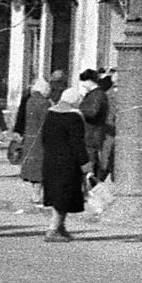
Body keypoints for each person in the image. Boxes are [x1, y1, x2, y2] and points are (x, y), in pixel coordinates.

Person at [38, 86, 90, 242]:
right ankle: (53, 230)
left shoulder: (50, 113)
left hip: (51, 160)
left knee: (58, 195)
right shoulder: (74, 117)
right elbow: (77, 143)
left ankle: (61, 227)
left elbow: (44, 138)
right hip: (68, 163)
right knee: (63, 196)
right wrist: (85, 162)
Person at [15, 75, 52, 208]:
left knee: (33, 167)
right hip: (40, 138)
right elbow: (46, 121)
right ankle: (37, 195)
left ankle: (35, 194)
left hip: (30, 137)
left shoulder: (30, 100)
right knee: (40, 167)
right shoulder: (44, 103)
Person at [77, 71, 114, 196]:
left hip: (92, 134)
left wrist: (78, 110)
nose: (82, 84)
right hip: (91, 133)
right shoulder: (95, 94)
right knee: (90, 162)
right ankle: (88, 189)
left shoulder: (97, 95)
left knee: (90, 163)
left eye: (83, 82)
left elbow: (93, 112)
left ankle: (90, 190)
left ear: (89, 81)